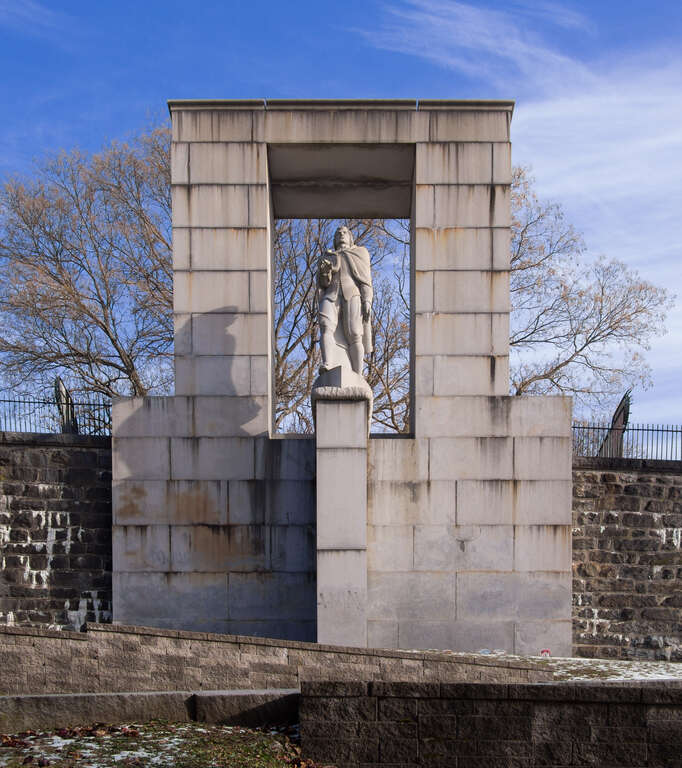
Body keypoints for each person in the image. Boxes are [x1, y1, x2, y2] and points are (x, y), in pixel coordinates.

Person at [317, 225, 373, 376]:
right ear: (335, 239)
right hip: (331, 294)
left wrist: (367, 300)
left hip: (352, 295)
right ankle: (327, 363)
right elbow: (323, 283)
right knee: (325, 325)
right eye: (338, 234)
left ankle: (358, 374)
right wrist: (324, 272)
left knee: (355, 333)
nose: (341, 235)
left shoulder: (360, 253)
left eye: (344, 233)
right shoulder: (328, 256)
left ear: (350, 237)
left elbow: (366, 281)